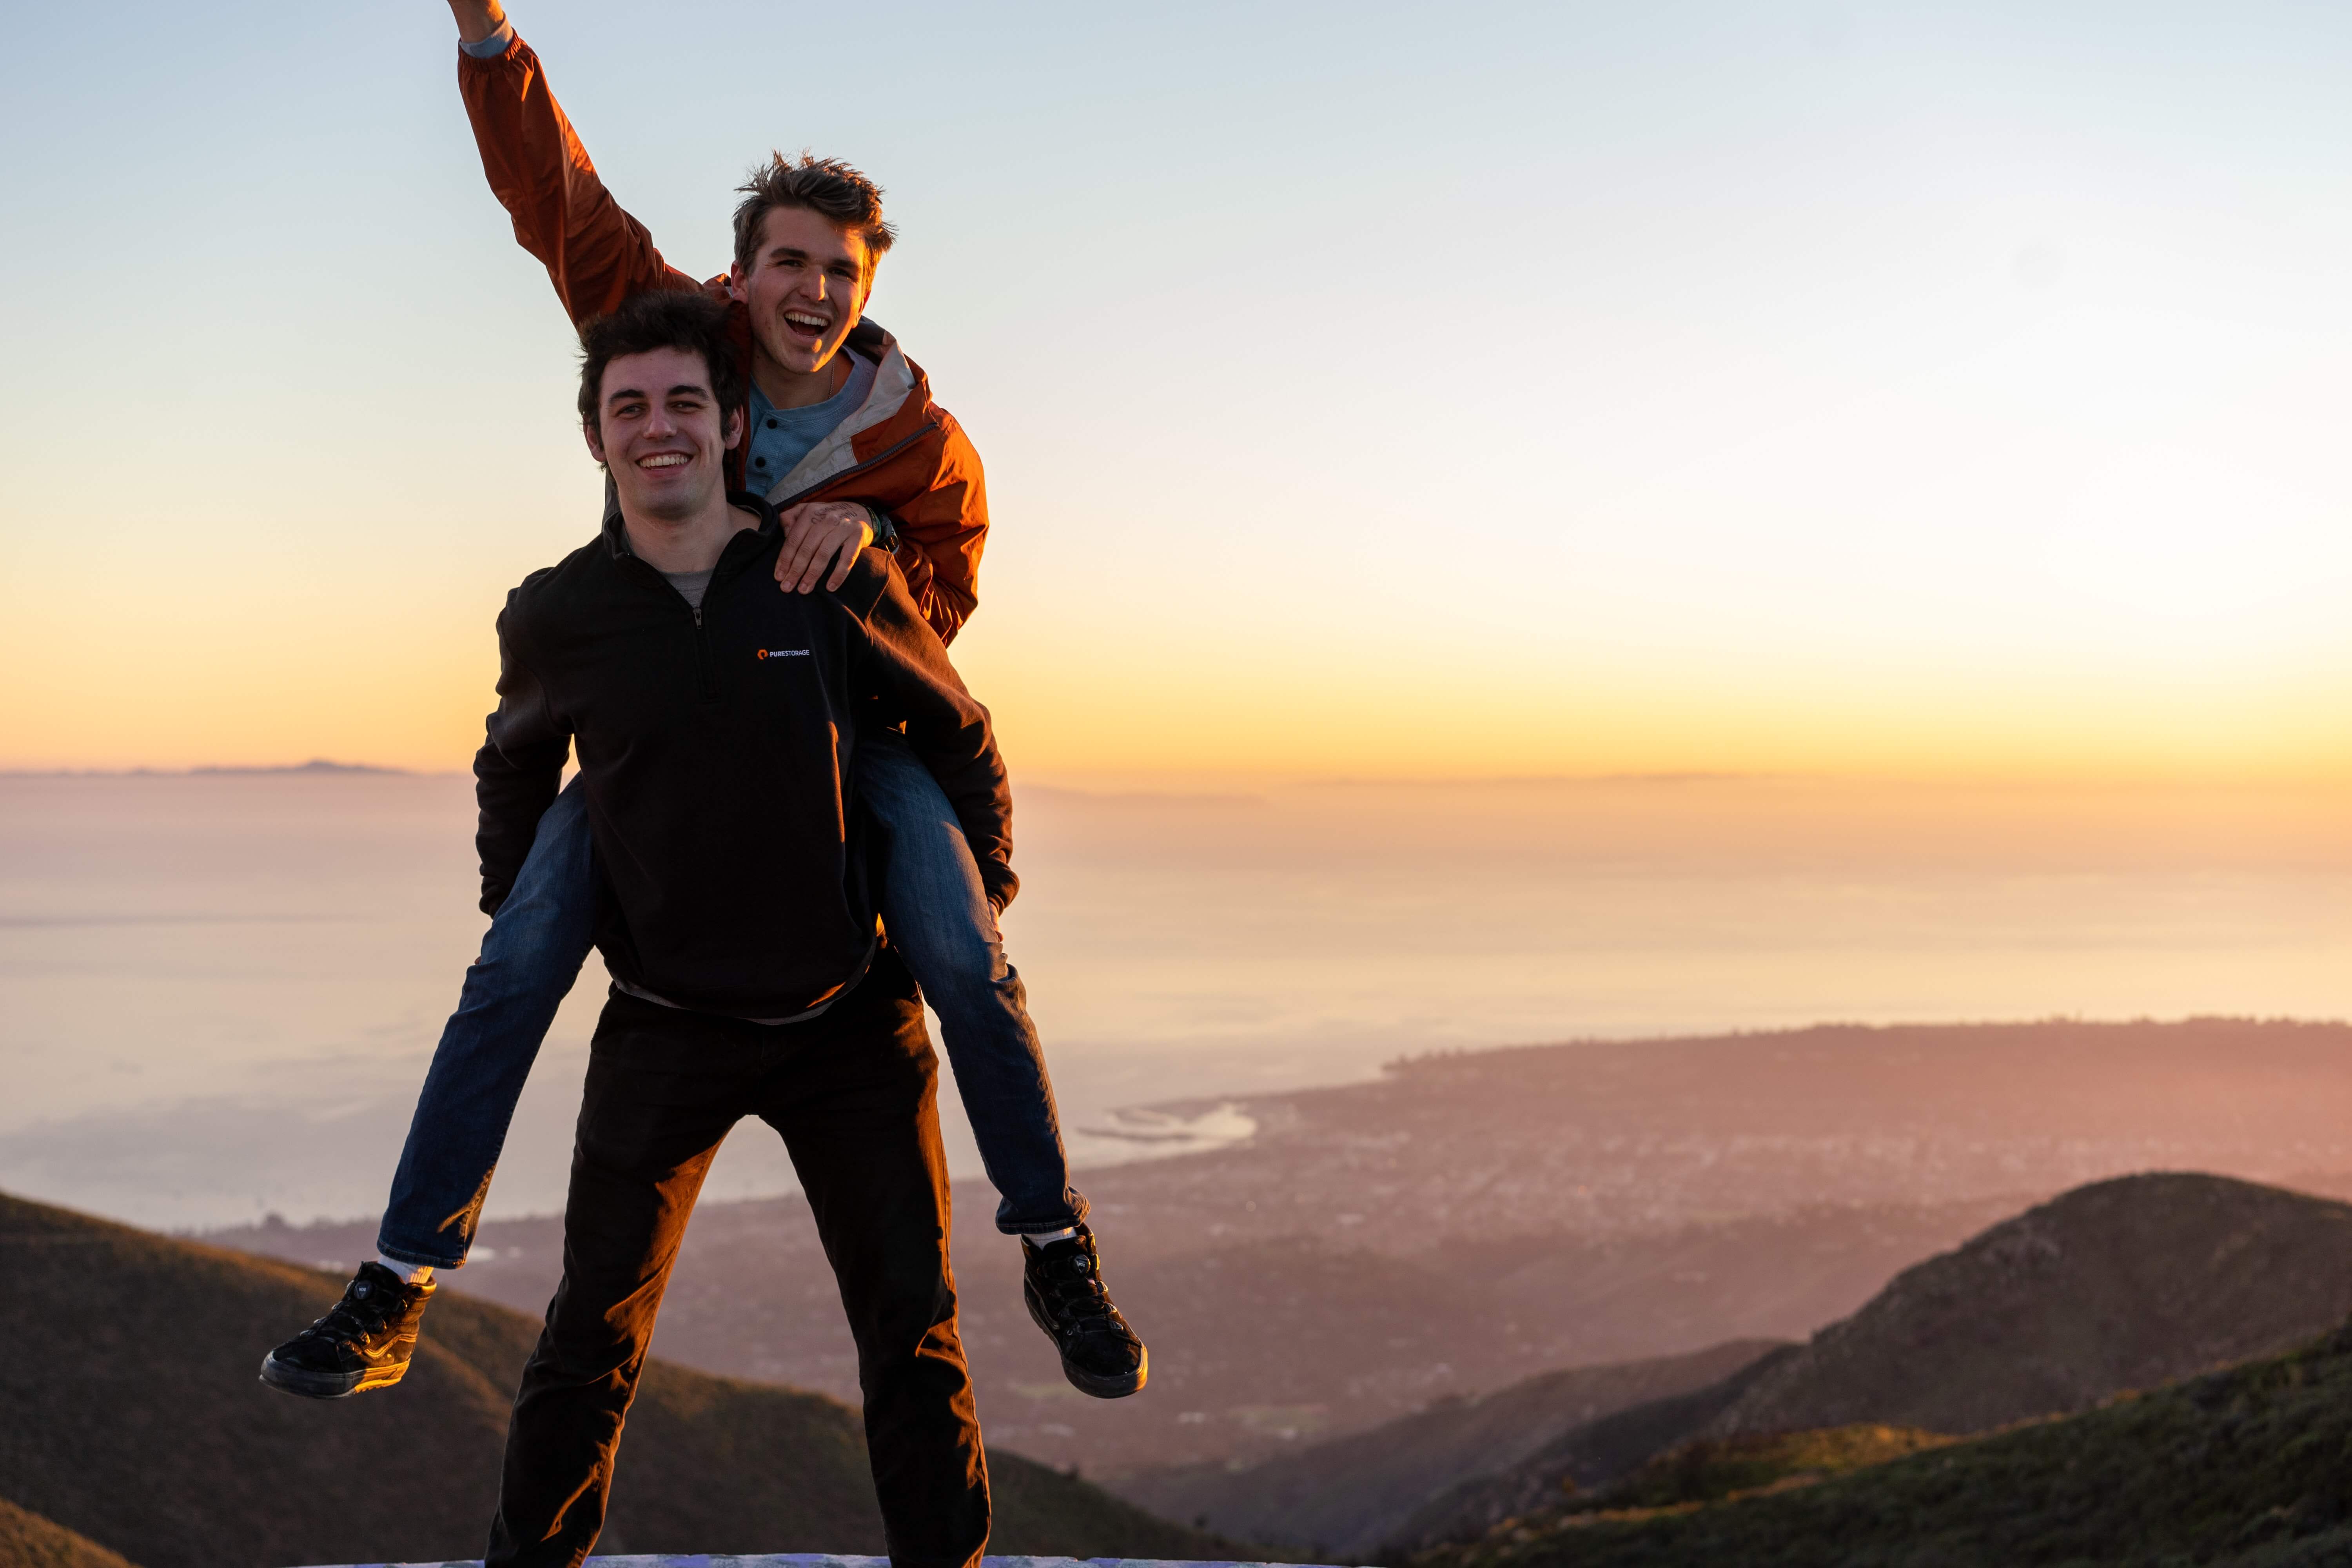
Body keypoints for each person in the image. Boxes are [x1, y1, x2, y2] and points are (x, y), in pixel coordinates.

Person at [258, 1, 1143, 1406]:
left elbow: (947, 615)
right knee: (512, 966)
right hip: (659, 744)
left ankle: (1055, 1244)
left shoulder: (920, 441)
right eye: (786, 260)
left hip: (854, 743)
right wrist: (489, 37)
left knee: (968, 956)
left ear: (866, 287)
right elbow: (561, 204)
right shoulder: (678, 347)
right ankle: (395, 1285)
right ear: (740, 277)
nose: (811, 289)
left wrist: (871, 548)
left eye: (838, 271)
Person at [508, 291, 988, 1562]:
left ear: (730, 425)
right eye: (628, 409)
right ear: (598, 441)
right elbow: (512, 767)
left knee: (913, 1335)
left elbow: (957, 731)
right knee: (589, 1340)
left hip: (849, 1026)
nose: (657, 427)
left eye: (681, 403)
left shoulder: (820, 570)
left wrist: (970, 896)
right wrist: (532, 913)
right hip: (665, 1031)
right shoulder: (559, 611)